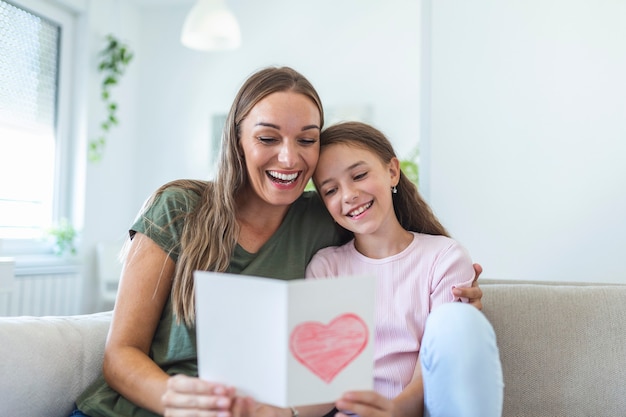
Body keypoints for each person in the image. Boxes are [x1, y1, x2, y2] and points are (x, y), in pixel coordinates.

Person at [70, 66, 485, 417]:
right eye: (268, 138)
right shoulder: (180, 207)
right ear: (238, 140)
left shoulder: (323, 218)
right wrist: (173, 400)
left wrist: (453, 315)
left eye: (307, 139)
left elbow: (391, 252)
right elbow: (120, 353)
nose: (289, 159)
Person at [305, 121, 503, 417]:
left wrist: (394, 411)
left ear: (392, 171)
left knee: (458, 321)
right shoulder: (326, 267)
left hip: (419, 410)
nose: (348, 195)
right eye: (331, 190)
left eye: (359, 175)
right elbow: (322, 378)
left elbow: (440, 368)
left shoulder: (444, 257)